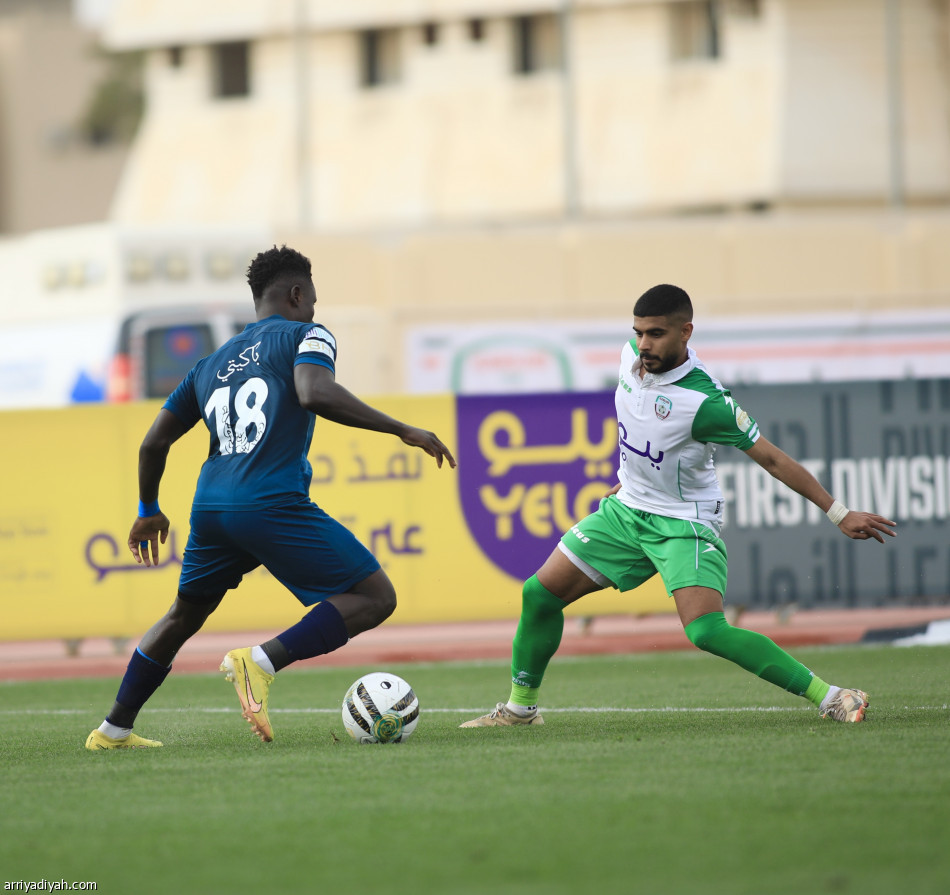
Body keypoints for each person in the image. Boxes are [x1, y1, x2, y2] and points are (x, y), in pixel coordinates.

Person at [460, 284, 896, 729]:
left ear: (685, 332)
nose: (644, 344)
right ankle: (520, 710)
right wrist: (632, 478)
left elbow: (773, 459)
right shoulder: (629, 358)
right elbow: (643, 428)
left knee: (705, 631)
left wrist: (838, 513)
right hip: (626, 511)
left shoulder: (705, 402)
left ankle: (833, 696)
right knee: (539, 595)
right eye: (638, 332)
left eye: (656, 334)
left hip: (682, 523)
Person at [86, 245, 456, 750]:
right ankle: (258, 662)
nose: (314, 310)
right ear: (297, 294)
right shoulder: (308, 335)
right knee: (375, 597)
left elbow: (153, 442)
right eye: (313, 300)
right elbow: (314, 392)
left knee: (181, 617)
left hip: (211, 508)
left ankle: (112, 730)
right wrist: (401, 429)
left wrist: (148, 509)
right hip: (268, 501)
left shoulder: (209, 364)